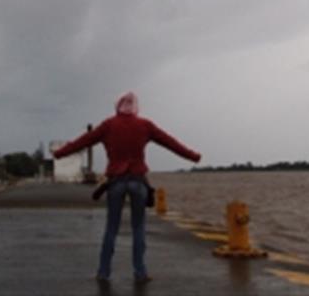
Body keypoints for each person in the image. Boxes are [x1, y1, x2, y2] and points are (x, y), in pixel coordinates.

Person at [53, 91, 201, 284]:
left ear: (118, 106)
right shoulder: (144, 125)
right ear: (135, 108)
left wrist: (59, 154)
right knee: (138, 228)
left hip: (115, 182)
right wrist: (193, 156)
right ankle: (140, 272)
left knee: (111, 228)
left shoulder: (108, 125)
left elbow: (83, 141)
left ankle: (103, 272)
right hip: (138, 182)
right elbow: (170, 142)